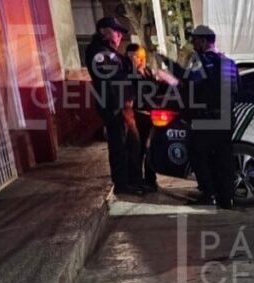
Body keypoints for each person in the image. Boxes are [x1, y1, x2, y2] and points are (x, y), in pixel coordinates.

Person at [161, 25, 238, 209]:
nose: (193, 43)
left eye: (195, 40)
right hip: (226, 118)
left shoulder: (201, 60)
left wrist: (167, 63)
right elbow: (237, 89)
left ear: (203, 41)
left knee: (198, 156)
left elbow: (188, 78)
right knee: (223, 158)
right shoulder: (228, 62)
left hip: (206, 119)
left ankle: (209, 194)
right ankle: (227, 199)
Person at [85, 17, 142, 196]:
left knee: (133, 144)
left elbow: (128, 72)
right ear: (103, 30)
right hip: (114, 107)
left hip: (125, 106)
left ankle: (135, 181)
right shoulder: (98, 52)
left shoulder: (112, 53)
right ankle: (123, 184)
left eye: (120, 32)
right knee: (120, 145)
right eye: (115, 31)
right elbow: (112, 77)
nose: (119, 35)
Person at [125, 43, 159, 193]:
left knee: (150, 149)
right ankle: (137, 181)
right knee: (137, 150)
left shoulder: (148, 73)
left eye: (136, 57)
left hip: (151, 116)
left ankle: (150, 180)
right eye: (131, 57)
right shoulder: (128, 75)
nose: (136, 60)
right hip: (136, 116)